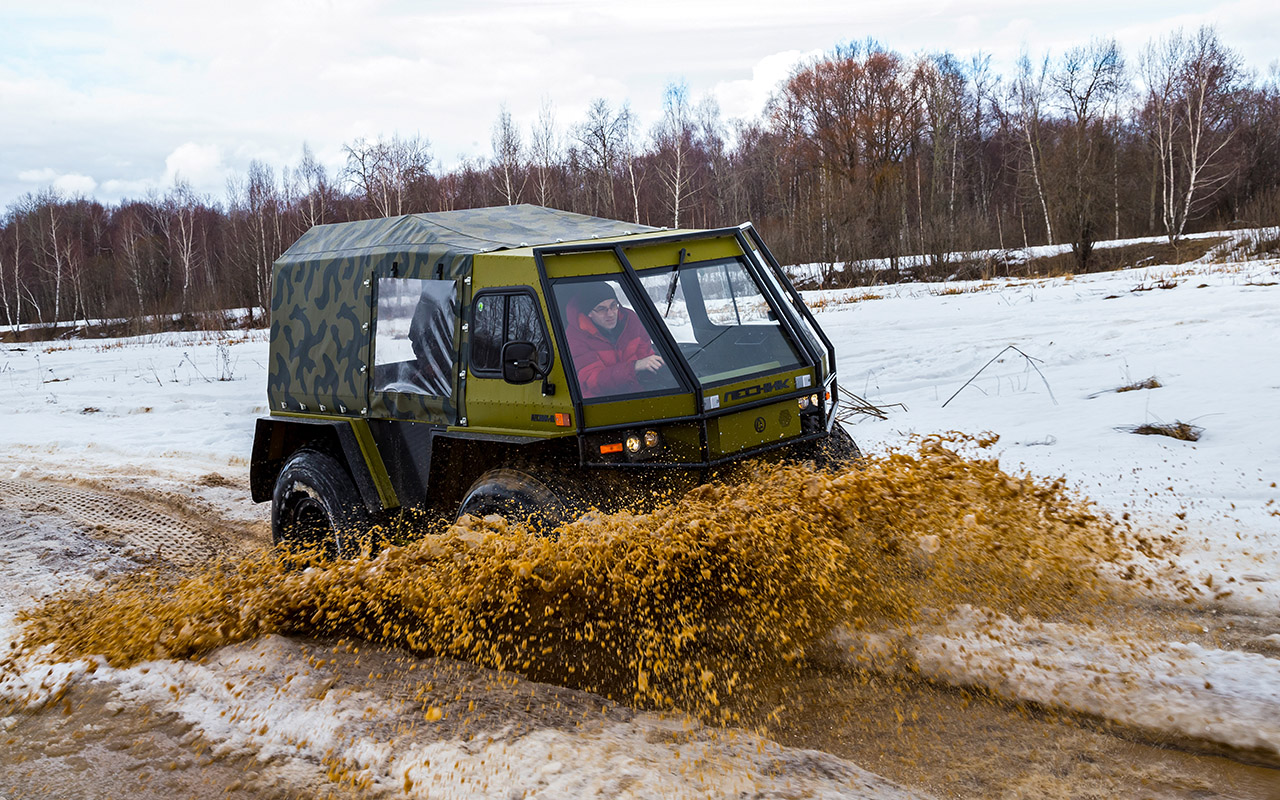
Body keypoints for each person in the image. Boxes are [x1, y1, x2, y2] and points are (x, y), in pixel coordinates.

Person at [564, 282, 665, 399]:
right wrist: (633, 367)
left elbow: (646, 355)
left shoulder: (630, 320)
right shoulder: (575, 336)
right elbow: (593, 382)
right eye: (601, 309)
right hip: (599, 401)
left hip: (636, 393)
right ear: (589, 313)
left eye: (613, 305)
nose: (611, 314)